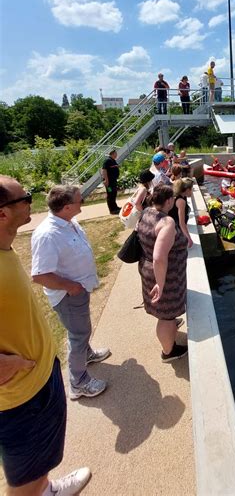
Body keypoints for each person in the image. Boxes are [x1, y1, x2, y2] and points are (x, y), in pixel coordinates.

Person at [0, 176, 92, 496]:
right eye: (24, 197)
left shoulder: (5, 249)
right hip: (20, 396)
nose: (31, 200)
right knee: (22, 479)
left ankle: (46, 488)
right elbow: (43, 274)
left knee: (41, 462)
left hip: (39, 377)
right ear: (2, 213)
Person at [31, 185, 110, 401]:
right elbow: (39, 275)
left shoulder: (67, 222)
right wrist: (70, 287)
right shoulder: (48, 235)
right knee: (78, 334)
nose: (82, 202)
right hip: (68, 295)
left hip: (78, 291)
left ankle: (86, 354)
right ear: (67, 207)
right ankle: (78, 382)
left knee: (80, 329)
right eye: (80, 200)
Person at [136, 185, 188, 362]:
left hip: (148, 269)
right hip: (165, 275)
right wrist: (161, 283)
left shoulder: (146, 212)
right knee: (166, 315)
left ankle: (171, 326)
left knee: (166, 314)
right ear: (168, 201)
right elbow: (159, 257)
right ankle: (169, 352)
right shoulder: (167, 223)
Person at [169, 178, 194, 248]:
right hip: (174, 229)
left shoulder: (181, 197)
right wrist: (189, 238)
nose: (192, 191)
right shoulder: (181, 201)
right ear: (187, 190)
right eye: (191, 189)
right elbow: (181, 223)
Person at [101, 148, 120, 215]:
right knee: (110, 194)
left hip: (113, 181)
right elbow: (104, 170)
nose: (116, 154)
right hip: (109, 182)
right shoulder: (107, 160)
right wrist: (106, 180)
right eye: (115, 153)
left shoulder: (112, 160)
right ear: (112, 153)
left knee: (114, 193)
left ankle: (115, 207)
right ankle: (112, 210)